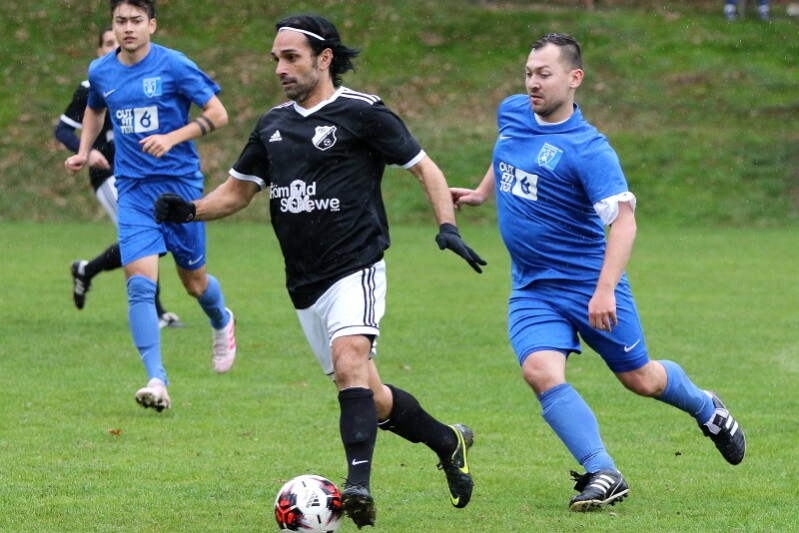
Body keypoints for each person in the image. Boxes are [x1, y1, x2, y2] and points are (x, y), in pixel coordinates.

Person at [153, 14, 485, 529]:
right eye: (276, 59)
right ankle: (448, 441)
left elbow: (425, 167)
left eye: (291, 57)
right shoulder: (272, 125)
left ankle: (357, 486)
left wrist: (447, 226)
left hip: (357, 265)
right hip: (304, 284)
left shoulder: (363, 112)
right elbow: (238, 192)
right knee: (371, 396)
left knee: (349, 362)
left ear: (324, 58)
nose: (280, 68)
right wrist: (189, 210)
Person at [450, 33, 746, 512]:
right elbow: (507, 149)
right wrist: (484, 192)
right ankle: (603, 470)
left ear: (574, 78)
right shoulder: (513, 111)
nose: (532, 83)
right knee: (539, 371)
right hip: (532, 287)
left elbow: (624, 222)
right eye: (528, 73)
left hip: (590, 284)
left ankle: (706, 407)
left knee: (641, 380)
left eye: (544, 74)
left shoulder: (588, 149)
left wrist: (605, 289)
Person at [64, 0, 236, 411]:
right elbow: (94, 110)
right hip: (134, 191)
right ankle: (157, 380)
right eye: (120, 21)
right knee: (139, 285)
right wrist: (84, 150)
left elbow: (218, 114)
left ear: (151, 25)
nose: (127, 28)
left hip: (179, 191)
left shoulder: (174, 65)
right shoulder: (101, 70)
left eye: (136, 21)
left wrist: (173, 137)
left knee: (195, 284)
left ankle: (221, 320)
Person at [56, 26, 181, 328]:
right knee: (143, 236)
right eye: (108, 42)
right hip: (108, 174)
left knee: (149, 236)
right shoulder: (91, 86)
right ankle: (155, 312)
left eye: (117, 41)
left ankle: (87, 270)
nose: (115, 46)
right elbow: (62, 130)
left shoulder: (138, 80)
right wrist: (86, 152)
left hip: (141, 173)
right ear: (99, 51)